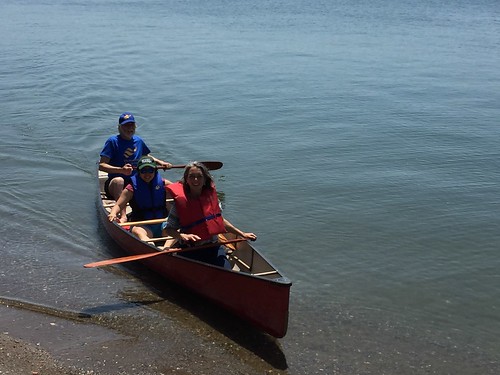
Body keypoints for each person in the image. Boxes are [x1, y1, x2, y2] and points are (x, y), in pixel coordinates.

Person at [161, 161, 256, 268]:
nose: (195, 180)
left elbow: (220, 221)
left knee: (226, 271)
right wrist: (182, 236)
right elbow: (168, 229)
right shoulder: (179, 204)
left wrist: (242, 234)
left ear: (205, 179)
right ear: (186, 180)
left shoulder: (212, 199)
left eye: (199, 176)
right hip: (190, 249)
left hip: (213, 247)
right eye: (191, 176)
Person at [99, 112, 172, 223]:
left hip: (136, 183)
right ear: (119, 127)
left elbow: (146, 156)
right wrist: (121, 170)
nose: (129, 129)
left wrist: (160, 162)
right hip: (114, 184)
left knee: (157, 181)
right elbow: (102, 165)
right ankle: (123, 216)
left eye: (131, 125)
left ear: (135, 127)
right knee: (119, 180)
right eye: (126, 126)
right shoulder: (112, 141)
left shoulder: (138, 141)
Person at [108, 156, 173, 242]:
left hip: (162, 223)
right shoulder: (131, 188)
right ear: (138, 172)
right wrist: (113, 213)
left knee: (178, 229)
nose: (147, 174)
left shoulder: (164, 184)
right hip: (142, 225)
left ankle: (167, 248)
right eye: (143, 171)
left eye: (150, 170)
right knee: (138, 232)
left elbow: (181, 193)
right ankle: (151, 246)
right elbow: (119, 205)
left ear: (155, 171)